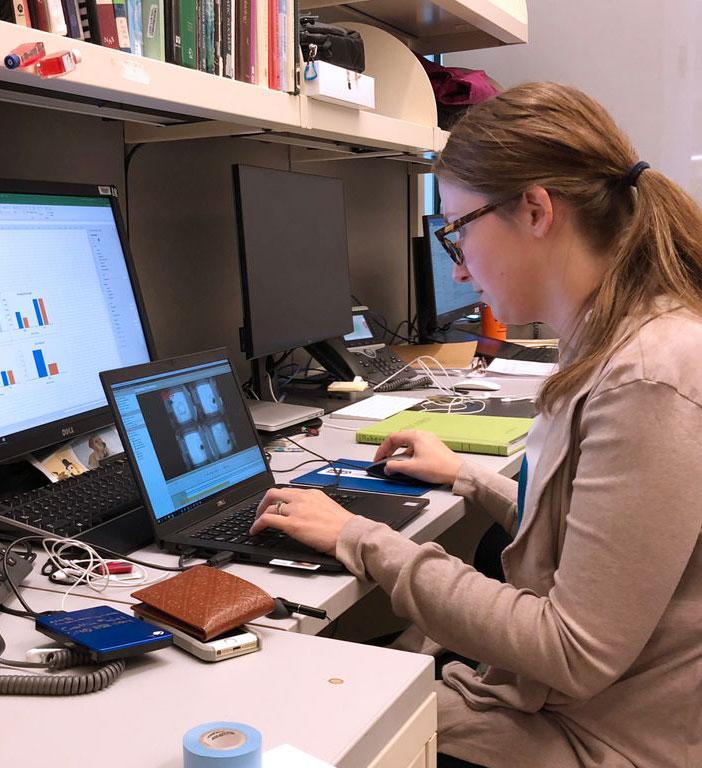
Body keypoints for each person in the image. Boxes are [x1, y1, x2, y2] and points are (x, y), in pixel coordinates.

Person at [250, 83, 702, 768]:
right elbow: (594, 536)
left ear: (535, 210)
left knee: (285, 716)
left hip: (603, 739)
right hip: (571, 705)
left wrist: (361, 538)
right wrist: (467, 477)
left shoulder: (649, 375)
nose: (457, 263)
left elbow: (571, 650)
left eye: (457, 228)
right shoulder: (608, 337)